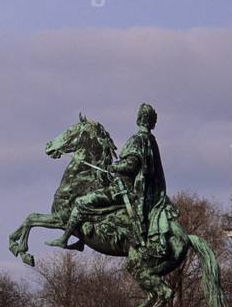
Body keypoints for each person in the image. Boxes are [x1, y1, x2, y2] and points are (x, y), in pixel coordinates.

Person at [64, 103, 178, 257]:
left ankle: (65, 239)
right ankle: (82, 239)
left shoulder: (138, 139)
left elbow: (131, 165)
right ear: (152, 122)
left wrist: (114, 167)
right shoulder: (151, 140)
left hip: (124, 189)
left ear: (139, 119)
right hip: (141, 191)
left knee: (82, 202)